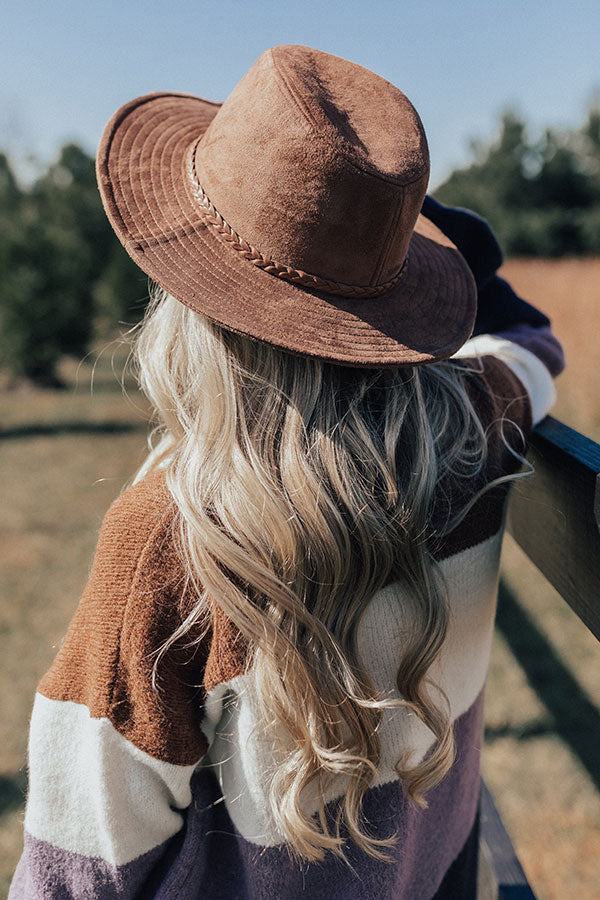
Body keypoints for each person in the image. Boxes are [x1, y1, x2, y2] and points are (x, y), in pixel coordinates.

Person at [10, 45, 564, 900]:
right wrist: (401, 227)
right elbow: (532, 343)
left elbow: (74, 871)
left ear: (188, 301)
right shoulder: (475, 427)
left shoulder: (171, 535)